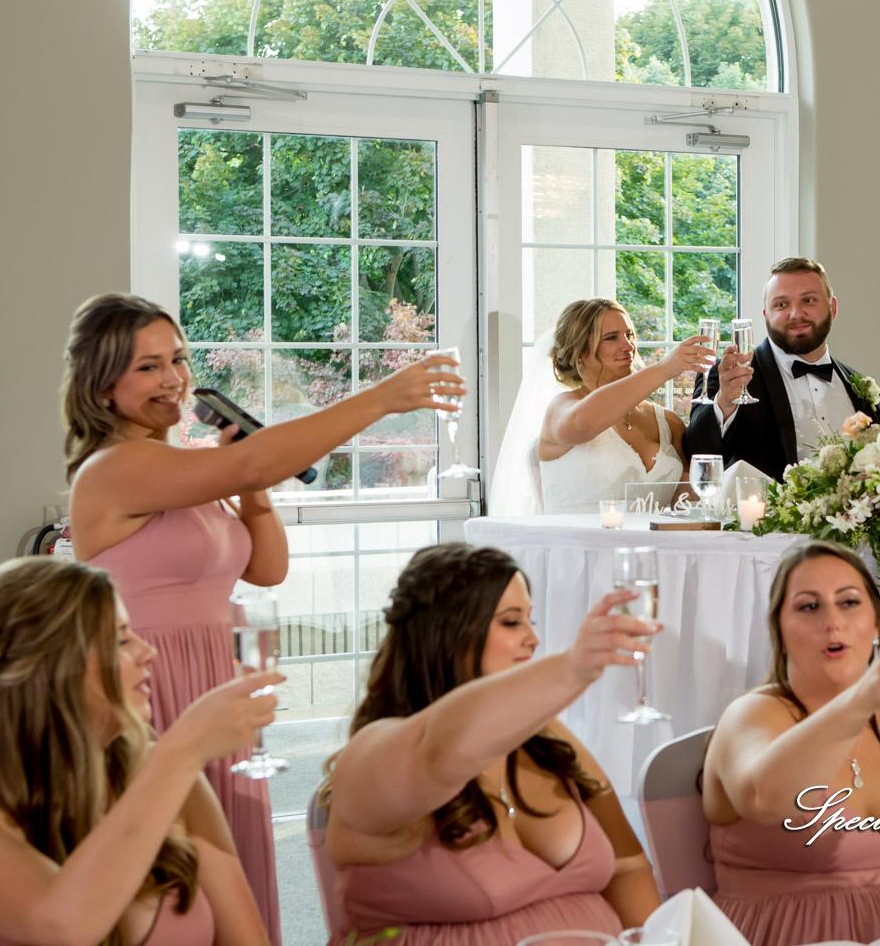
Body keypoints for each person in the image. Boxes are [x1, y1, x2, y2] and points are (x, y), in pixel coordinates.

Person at [62, 292, 463, 942]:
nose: (172, 379)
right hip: (149, 685)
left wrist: (249, 486)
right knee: (177, 883)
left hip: (216, 684)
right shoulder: (114, 468)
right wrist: (383, 398)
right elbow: (254, 459)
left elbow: (267, 567)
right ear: (102, 385)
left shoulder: (188, 470)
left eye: (178, 359)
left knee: (233, 873)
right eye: (147, 367)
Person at [0, 558, 280, 946]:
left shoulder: (162, 775)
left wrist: (176, 759)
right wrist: (183, 750)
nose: (148, 652)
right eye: (121, 640)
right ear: (49, 668)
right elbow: (64, 926)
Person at [321, 543, 661, 944]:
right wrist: (572, 667)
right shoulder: (371, 755)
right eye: (512, 622)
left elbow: (626, 866)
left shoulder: (545, 737)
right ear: (447, 633)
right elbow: (441, 750)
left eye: (531, 620)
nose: (533, 638)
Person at [701, 540, 880, 946]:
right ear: (779, 629)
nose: (832, 621)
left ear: (876, 624)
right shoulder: (751, 714)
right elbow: (766, 799)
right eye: (809, 606)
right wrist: (864, 697)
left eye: (849, 602)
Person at [494, 297, 712, 515]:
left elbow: (688, 506)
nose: (628, 346)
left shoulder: (668, 422)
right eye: (612, 338)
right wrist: (663, 369)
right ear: (580, 352)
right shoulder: (561, 409)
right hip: (577, 538)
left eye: (629, 335)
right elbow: (583, 425)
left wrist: (724, 399)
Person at [686, 258, 880, 482]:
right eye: (781, 304)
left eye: (808, 300)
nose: (796, 314)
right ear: (766, 314)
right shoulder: (730, 377)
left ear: (833, 307)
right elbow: (695, 453)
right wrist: (725, 402)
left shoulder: (859, 385)